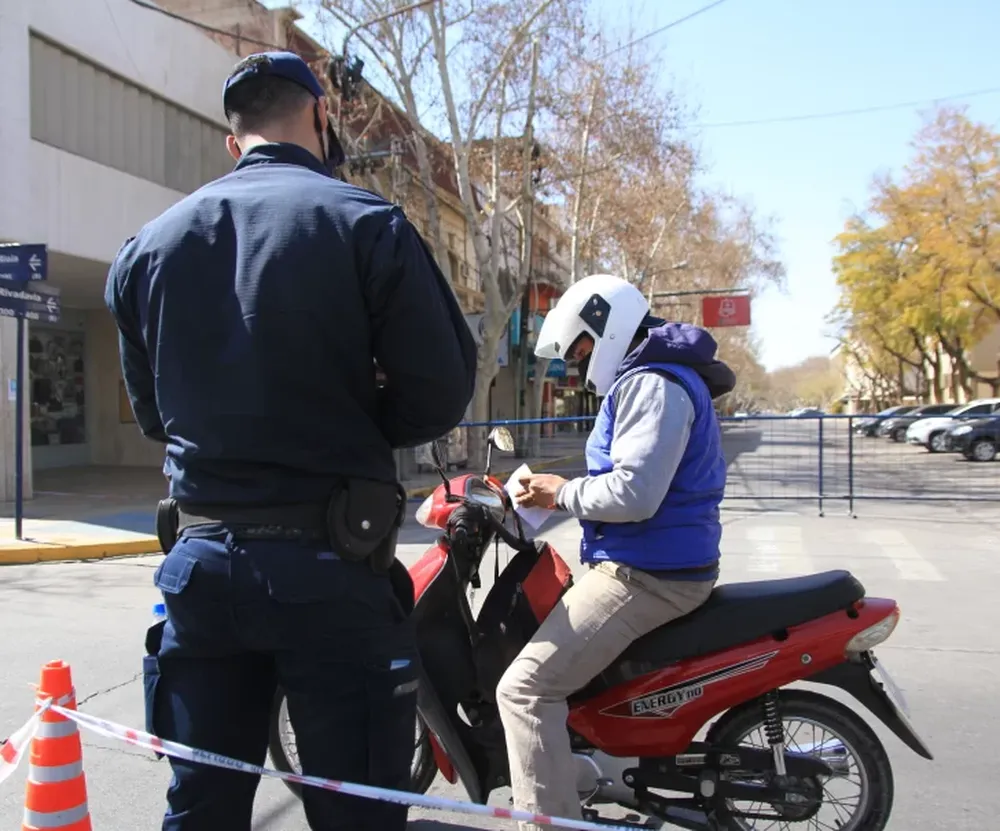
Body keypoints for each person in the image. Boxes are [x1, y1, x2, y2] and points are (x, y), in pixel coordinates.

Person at [105, 51, 477, 831]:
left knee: (201, 808)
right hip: (333, 567)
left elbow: (154, 417)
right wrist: (355, 416)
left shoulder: (147, 250)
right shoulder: (365, 224)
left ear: (231, 142)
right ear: (320, 118)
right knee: (358, 813)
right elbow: (439, 391)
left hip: (203, 572)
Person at [497, 273, 735, 829]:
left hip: (647, 576)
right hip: (650, 562)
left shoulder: (653, 384)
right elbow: (630, 473)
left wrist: (561, 494)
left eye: (581, 347)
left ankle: (548, 821)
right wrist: (557, 495)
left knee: (525, 691)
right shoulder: (649, 378)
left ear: (606, 326)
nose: (579, 363)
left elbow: (634, 492)